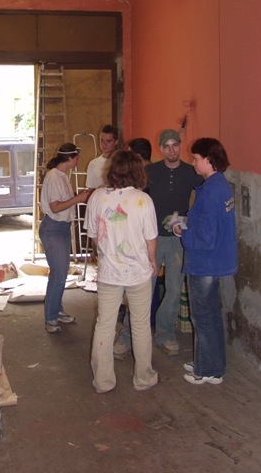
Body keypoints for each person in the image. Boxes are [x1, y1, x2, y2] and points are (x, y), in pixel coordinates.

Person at [85, 150, 158, 393]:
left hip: (108, 273)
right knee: (140, 325)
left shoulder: (97, 197)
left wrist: (107, 253)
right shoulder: (143, 200)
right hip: (138, 273)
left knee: (104, 325)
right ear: (138, 171)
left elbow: (94, 236)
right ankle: (143, 378)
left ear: (112, 169)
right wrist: (153, 261)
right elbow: (150, 239)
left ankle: (103, 381)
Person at [172, 138, 237, 384]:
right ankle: (209, 362)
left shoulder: (211, 190)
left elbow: (205, 236)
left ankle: (207, 371)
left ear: (208, 160)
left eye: (196, 158)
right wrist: (189, 220)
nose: (193, 162)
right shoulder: (220, 186)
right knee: (210, 315)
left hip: (205, 262)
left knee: (203, 316)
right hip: (215, 260)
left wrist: (182, 231)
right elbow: (211, 223)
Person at [147, 129, 203, 355]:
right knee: (143, 289)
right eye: (167, 146)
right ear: (161, 148)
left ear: (181, 146)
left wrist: (190, 220)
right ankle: (130, 335)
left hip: (178, 240)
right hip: (151, 238)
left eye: (175, 145)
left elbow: (204, 201)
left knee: (173, 289)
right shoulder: (150, 171)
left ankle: (165, 333)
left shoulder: (192, 173)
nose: (172, 150)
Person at [39, 143, 92, 333]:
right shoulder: (54, 176)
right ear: (70, 158)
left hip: (61, 228)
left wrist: (79, 196)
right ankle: (50, 317)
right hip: (52, 229)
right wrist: (78, 199)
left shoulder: (62, 176)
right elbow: (55, 207)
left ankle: (57, 310)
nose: (78, 161)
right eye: (77, 157)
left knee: (61, 272)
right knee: (58, 274)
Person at [113, 137, 153, 357]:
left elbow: (150, 233)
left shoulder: (143, 189)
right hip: (135, 252)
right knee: (139, 312)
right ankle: (142, 369)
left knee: (135, 312)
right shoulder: (133, 190)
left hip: (139, 252)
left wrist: (151, 258)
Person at [86, 124, 119, 189]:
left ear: (116, 142)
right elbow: (90, 189)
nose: (104, 144)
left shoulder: (122, 162)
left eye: (108, 141)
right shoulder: (93, 164)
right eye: (102, 140)